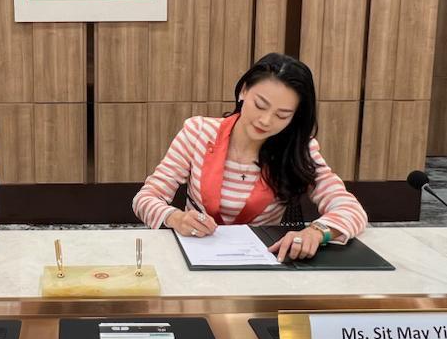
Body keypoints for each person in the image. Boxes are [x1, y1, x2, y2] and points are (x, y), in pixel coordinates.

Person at [132, 53, 367, 261]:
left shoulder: (299, 149)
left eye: (282, 115)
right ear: (244, 91)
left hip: (264, 262)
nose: (266, 121)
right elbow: (145, 198)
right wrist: (175, 218)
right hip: (196, 258)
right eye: (260, 105)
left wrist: (316, 232)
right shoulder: (198, 133)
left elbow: (351, 210)